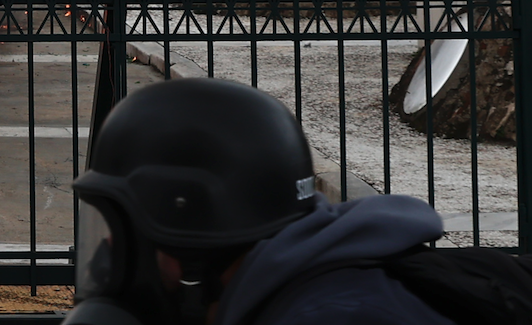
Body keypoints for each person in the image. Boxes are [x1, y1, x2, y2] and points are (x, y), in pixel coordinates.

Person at [66, 77, 450, 325]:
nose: (108, 249)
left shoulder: (334, 316)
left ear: (196, 237)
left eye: (124, 227)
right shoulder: (294, 296)